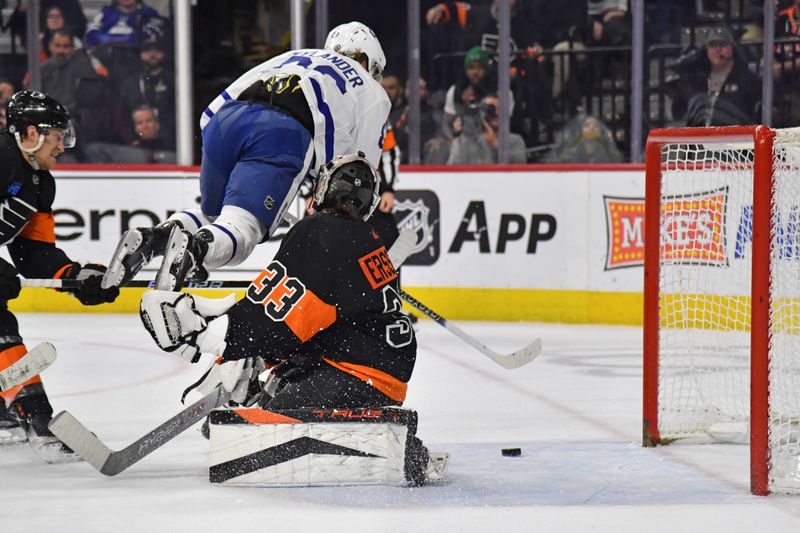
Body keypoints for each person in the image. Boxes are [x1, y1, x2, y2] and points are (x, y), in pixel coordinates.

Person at [139, 153, 433, 484]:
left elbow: (280, 314)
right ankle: (380, 430)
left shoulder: (319, 230)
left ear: (324, 189)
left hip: (352, 376)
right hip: (373, 376)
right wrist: (264, 357)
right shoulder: (368, 240)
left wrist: (226, 338)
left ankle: (390, 447)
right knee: (240, 414)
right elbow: (316, 316)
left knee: (237, 440)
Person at [102, 20, 391, 292]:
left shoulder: (296, 55)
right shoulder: (370, 89)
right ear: (365, 61)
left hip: (224, 122)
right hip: (282, 130)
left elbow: (214, 109)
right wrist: (335, 213)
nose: (373, 78)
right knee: (243, 228)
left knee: (213, 215)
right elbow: (359, 172)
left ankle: (155, 238)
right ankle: (193, 251)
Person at [0, 91, 119, 461]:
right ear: (30, 133)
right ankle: (37, 419)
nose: (63, 146)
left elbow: (34, 253)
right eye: (57, 136)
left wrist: (73, 276)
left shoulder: (41, 183)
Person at [668, 25, 760, 128]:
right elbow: (679, 111)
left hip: (735, 137)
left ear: (732, 48)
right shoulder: (696, 79)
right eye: (712, 45)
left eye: (722, 44)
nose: (717, 49)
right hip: (699, 138)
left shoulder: (747, 79)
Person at [447, 93, 527, 164]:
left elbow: (520, 165)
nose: (496, 113)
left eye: (500, 109)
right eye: (490, 109)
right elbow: (451, 170)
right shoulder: (464, 141)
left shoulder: (515, 140)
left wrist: (496, 145)